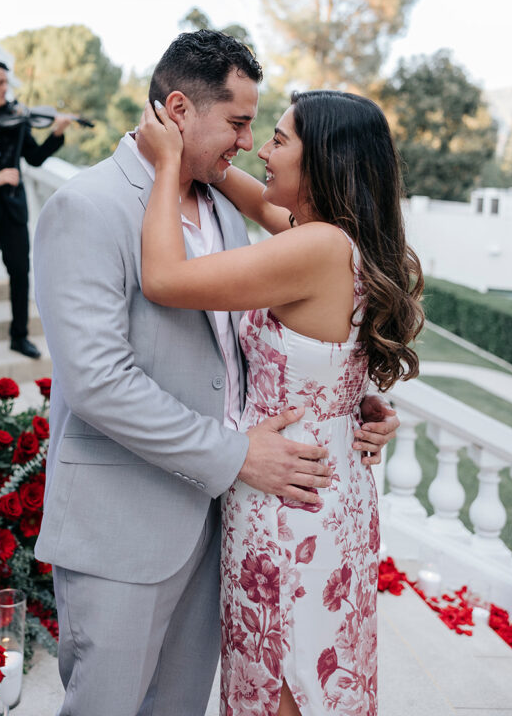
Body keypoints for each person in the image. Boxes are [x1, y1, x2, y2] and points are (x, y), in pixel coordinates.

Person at [33, 31, 399, 716]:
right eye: (238, 124)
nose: (251, 144)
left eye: (269, 134)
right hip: (132, 523)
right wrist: (246, 449)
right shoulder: (87, 207)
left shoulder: (241, 215)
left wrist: (345, 402)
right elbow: (98, 382)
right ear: (177, 108)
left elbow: (251, 334)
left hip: (237, 518)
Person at [137, 87, 424, 716]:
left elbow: (162, 279)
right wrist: (204, 157)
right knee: (306, 670)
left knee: (286, 675)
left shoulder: (314, 248)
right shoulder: (334, 239)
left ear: (322, 160)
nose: (260, 149)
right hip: (322, 491)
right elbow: (250, 193)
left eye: (279, 139)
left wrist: (164, 165)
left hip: (290, 510)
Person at [0, 60, 73, 362]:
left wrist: (56, 134)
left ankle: (19, 337)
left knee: (20, 274)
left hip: (12, 212)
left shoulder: (16, 117)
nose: (5, 89)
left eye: (6, 83)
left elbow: (33, 159)